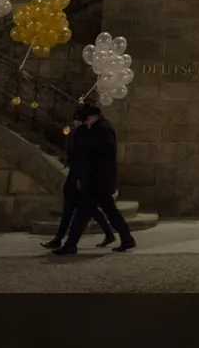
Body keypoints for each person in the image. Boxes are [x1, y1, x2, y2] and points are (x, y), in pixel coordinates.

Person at [57, 104, 138, 253]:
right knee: (109, 211)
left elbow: (98, 152)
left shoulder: (102, 130)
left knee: (83, 213)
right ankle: (127, 239)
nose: (85, 122)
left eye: (87, 119)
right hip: (96, 180)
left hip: (98, 180)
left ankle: (70, 244)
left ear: (94, 117)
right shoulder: (97, 129)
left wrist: (83, 134)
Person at [42, 105, 118, 253]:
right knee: (79, 209)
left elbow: (89, 155)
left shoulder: (94, 131)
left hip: (85, 176)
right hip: (79, 175)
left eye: (78, 120)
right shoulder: (81, 132)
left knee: (83, 210)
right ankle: (63, 240)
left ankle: (67, 242)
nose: (75, 123)